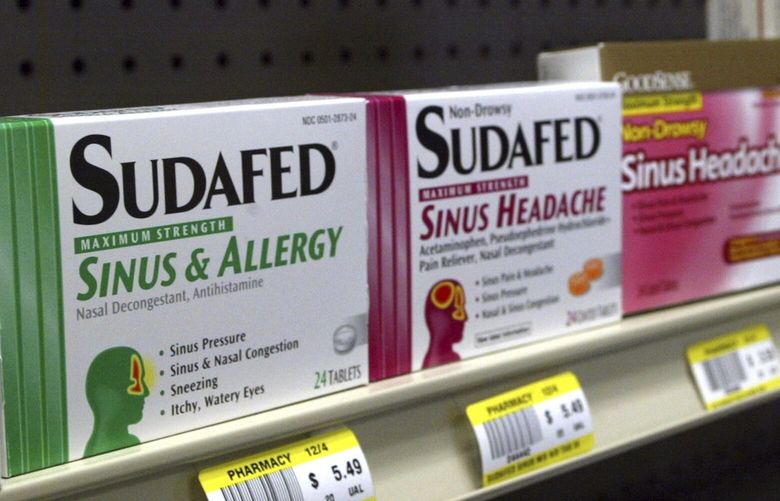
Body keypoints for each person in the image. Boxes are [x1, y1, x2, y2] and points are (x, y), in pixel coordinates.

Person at [84, 346, 149, 457]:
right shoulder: (100, 455)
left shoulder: (130, 444)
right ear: (104, 395)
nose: (146, 392)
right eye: (134, 383)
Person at [422, 279, 468, 368]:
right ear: (438, 320)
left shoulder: (452, 358)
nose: (465, 317)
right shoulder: (436, 363)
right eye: (458, 312)